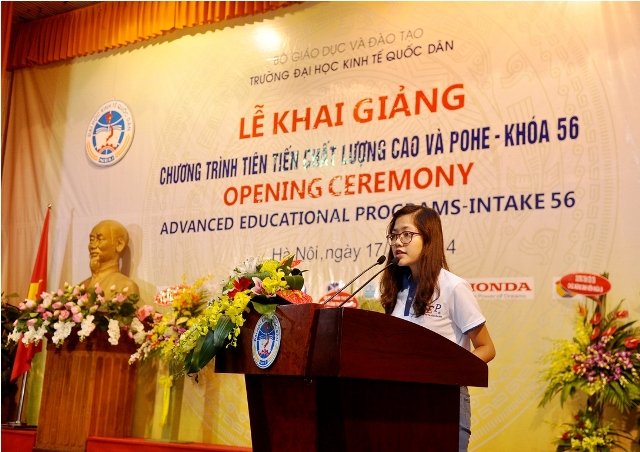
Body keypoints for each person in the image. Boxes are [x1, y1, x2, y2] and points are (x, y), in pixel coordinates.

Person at [379, 205, 495, 452]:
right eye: (394, 235)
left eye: (407, 234)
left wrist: (447, 375)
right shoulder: (397, 289)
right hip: (401, 401)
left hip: (445, 402)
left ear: (429, 238)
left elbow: (486, 348)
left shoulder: (453, 287)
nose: (398, 242)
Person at [79, 220, 139, 298]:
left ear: (119, 245)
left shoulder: (125, 286)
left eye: (100, 239)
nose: (92, 246)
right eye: (92, 240)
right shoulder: (81, 286)